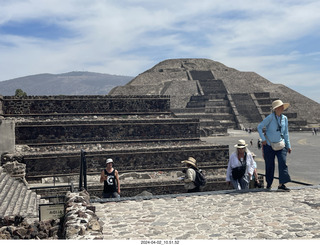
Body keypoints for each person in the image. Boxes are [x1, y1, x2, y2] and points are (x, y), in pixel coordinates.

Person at [257, 99, 292, 191]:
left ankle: (281, 184)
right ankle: (269, 184)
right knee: (269, 165)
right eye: (281, 107)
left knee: (283, 163)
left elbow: (286, 133)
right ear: (276, 109)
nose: (282, 108)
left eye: (282, 106)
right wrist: (263, 140)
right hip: (269, 145)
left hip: (281, 145)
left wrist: (288, 145)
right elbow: (259, 127)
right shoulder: (270, 117)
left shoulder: (285, 118)